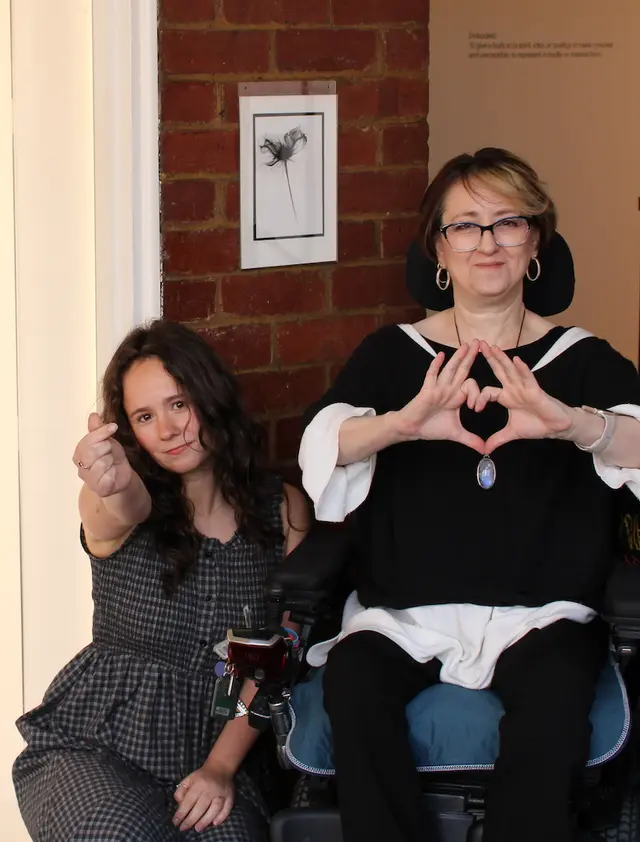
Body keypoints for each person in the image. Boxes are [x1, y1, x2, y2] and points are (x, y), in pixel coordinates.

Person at [298, 147, 640, 842]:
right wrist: (400, 426)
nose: (487, 242)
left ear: (535, 242)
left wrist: (575, 425)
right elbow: (322, 443)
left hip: (543, 617)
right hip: (404, 617)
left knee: (551, 706)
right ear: (438, 250)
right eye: (466, 226)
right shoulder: (391, 357)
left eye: (508, 222)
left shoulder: (582, 360)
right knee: (355, 686)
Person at [13, 320, 309, 842]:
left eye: (179, 404)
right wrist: (116, 482)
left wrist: (220, 767)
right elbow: (121, 505)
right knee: (119, 834)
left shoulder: (280, 509)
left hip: (217, 750)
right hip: (100, 744)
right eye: (144, 417)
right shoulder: (116, 502)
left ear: (210, 395)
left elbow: (274, 657)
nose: (168, 430)